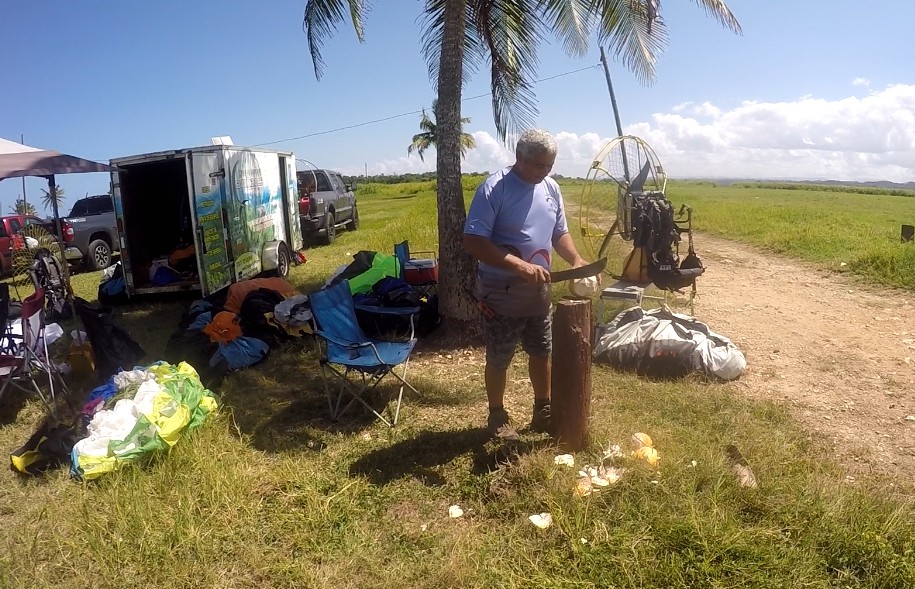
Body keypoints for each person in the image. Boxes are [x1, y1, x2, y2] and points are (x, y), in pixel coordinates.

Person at [463, 129, 592, 439]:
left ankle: (542, 408)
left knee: (541, 351)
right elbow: (473, 241)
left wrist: (576, 260)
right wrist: (519, 265)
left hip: (538, 293)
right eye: (538, 165)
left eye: (549, 166)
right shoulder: (494, 188)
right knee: (499, 357)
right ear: (519, 157)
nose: (543, 171)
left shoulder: (551, 188)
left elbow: (559, 233)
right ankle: (497, 414)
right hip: (501, 293)